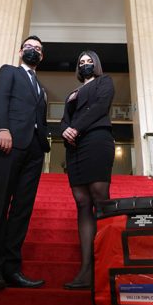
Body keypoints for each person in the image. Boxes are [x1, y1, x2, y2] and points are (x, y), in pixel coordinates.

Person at [0, 35, 51, 290]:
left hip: (35, 149)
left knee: (22, 209)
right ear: (21, 52)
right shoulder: (9, 71)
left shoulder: (40, 86)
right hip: (8, 142)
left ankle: (12, 268)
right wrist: (3, 128)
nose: (33, 50)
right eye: (29, 47)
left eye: (38, 49)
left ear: (41, 57)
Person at [60, 50, 115, 290]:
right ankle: (86, 269)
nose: (85, 64)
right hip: (75, 147)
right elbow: (64, 119)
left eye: (89, 61)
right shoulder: (72, 93)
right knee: (82, 202)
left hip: (96, 140)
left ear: (96, 64)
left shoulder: (105, 82)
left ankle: (106, 264)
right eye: (81, 62)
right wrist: (65, 130)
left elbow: (100, 107)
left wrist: (76, 128)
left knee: (99, 197)